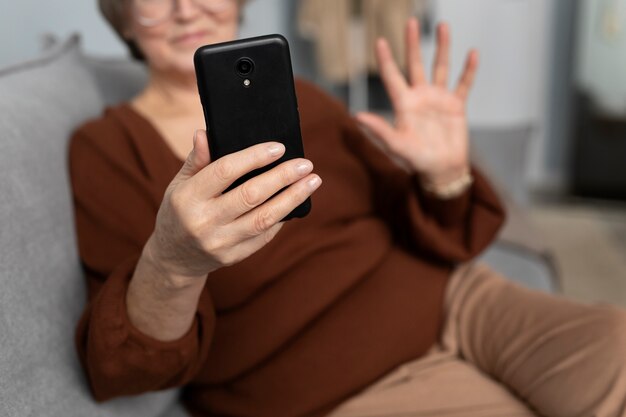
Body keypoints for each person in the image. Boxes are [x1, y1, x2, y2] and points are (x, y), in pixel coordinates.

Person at [69, 0, 626, 416]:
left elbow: (437, 229)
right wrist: (172, 261)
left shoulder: (304, 98)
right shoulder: (109, 146)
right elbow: (124, 367)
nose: (186, 8)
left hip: (461, 300)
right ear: (121, 16)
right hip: (339, 387)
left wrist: (444, 173)